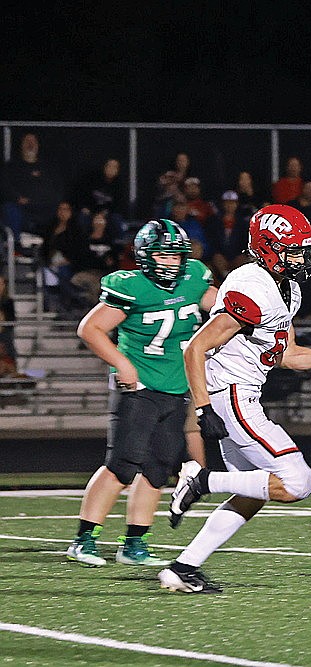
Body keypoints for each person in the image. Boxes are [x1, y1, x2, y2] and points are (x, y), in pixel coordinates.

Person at [160, 204, 311, 593]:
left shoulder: (287, 288)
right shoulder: (252, 288)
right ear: (269, 248)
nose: (303, 258)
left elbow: (284, 354)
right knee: (298, 482)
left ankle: (183, 567)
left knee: (255, 491)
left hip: (239, 392)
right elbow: (195, 348)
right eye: (294, 250)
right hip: (230, 393)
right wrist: (204, 410)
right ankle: (199, 478)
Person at [66, 219, 217, 568]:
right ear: (146, 257)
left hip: (176, 387)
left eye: (176, 256)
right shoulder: (131, 286)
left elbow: (221, 305)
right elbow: (90, 328)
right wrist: (122, 363)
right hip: (139, 387)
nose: (170, 263)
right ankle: (83, 539)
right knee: (121, 465)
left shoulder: (194, 276)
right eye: (163, 255)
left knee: (157, 469)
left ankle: (134, 543)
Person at [2, 133, 64, 238]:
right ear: (21, 145)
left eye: (33, 141)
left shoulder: (48, 167)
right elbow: (4, 186)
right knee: (10, 209)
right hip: (23, 210)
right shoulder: (11, 167)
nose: (30, 144)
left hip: (47, 209)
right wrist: (17, 198)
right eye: (27, 141)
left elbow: (58, 189)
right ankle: (16, 247)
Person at [204, 190, 250, 279]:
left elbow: (246, 242)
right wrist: (216, 254)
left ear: (237, 204)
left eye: (232, 203)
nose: (229, 205)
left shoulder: (243, 223)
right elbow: (210, 240)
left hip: (237, 255)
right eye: (227, 202)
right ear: (223, 204)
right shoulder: (213, 221)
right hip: (219, 256)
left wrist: (241, 255)